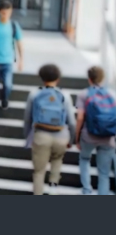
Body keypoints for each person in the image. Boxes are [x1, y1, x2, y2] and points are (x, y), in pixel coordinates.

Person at [23, 64, 76, 195]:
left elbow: (27, 119)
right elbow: (71, 122)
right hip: (61, 136)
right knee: (57, 160)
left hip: (41, 136)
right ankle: (53, 187)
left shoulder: (34, 94)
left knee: (39, 172)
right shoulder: (65, 95)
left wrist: (28, 137)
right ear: (58, 78)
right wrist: (72, 140)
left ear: (41, 78)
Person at [76, 66, 116, 195]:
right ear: (103, 78)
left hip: (88, 136)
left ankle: (87, 191)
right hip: (108, 138)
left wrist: (77, 137)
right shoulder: (112, 94)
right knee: (104, 173)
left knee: (84, 160)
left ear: (89, 79)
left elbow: (80, 118)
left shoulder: (83, 94)